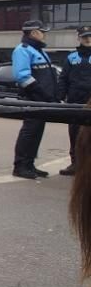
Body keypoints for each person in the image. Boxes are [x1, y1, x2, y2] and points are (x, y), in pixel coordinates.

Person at [11, 19, 58, 179]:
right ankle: (20, 166)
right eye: (42, 32)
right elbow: (22, 77)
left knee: (37, 133)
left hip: (42, 100)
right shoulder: (22, 50)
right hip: (33, 99)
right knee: (29, 132)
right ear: (33, 33)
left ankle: (29, 164)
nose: (44, 35)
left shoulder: (38, 50)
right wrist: (43, 95)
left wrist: (53, 96)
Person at [58, 26, 91, 176]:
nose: (88, 39)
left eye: (90, 36)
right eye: (84, 37)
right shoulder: (71, 57)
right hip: (74, 102)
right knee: (75, 134)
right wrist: (59, 96)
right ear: (79, 38)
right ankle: (75, 164)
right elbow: (63, 79)